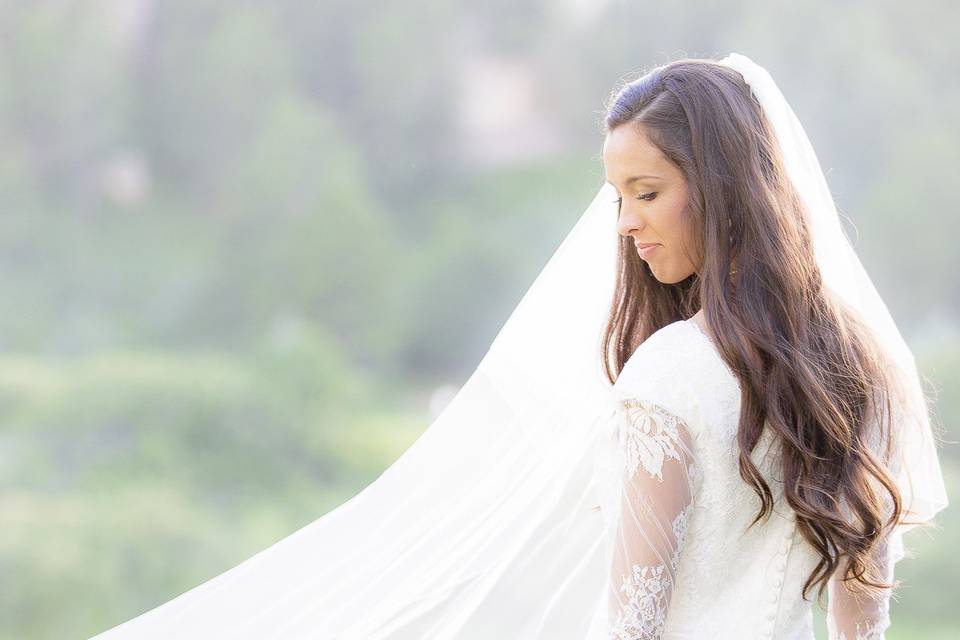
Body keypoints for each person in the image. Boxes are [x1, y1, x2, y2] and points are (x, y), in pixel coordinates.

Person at [89, 53, 948, 640]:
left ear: (722, 189)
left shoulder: (673, 372)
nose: (627, 224)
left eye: (647, 191)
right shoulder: (856, 365)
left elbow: (635, 619)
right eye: (617, 197)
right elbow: (860, 605)